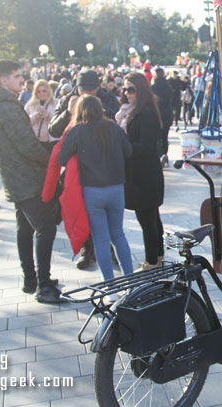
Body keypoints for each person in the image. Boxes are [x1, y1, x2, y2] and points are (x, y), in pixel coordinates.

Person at [0, 59, 62, 303]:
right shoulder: (6, 107)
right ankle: (43, 285)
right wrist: (50, 158)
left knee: (25, 228)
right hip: (25, 178)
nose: (21, 79)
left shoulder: (1, 104)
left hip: (16, 177)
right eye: (17, 76)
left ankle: (31, 279)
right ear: (3, 80)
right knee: (45, 228)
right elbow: (26, 145)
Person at [58, 95, 133, 282]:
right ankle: (131, 281)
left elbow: (61, 158)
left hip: (92, 191)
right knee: (118, 234)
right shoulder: (114, 128)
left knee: (101, 238)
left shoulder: (78, 131)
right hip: (116, 188)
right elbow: (129, 151)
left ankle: (109, 286)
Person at [49, 70, 117, 269]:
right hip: (78, 165)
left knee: (105, 210)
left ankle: (108, 248)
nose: (87, 93)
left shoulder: (106, 98)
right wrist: (67, 113)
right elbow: (52, 129)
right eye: (83, 89)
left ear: (98, 87)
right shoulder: (68, 99)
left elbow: (117, 121)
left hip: (103, 163)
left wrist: (99, 111)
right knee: (83, 209)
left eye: (91, 89)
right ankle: (87, 249)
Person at [116, 72, 165, 269]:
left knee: (148, 220)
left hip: (145, 175)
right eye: (125, 89)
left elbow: (146, 146)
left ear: (141, 90)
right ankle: (158, 256)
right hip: (139, 174)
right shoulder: (130, 111)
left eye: (131, 89)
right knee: (151, 218)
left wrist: (122, 144)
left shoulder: (146, 113)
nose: (127, 93)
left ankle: (152, 261)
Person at [24, 80, 58, 154]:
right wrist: (34, 116)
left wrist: (49, 115)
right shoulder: (30, 104)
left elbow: (60, 121)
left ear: (48, 91)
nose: (42, 93)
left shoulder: (56, 103)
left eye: (44, 91)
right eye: (39, 91)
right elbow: (24, 121)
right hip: (36, 140)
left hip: (52, 141)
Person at [151, 67, 174, 167]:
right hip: (167, 114)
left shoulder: (153, 87)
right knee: (165, 136)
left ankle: (160, 154)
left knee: (158, 136)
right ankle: (165, 154)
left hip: (157, 114)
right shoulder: (168, 86)